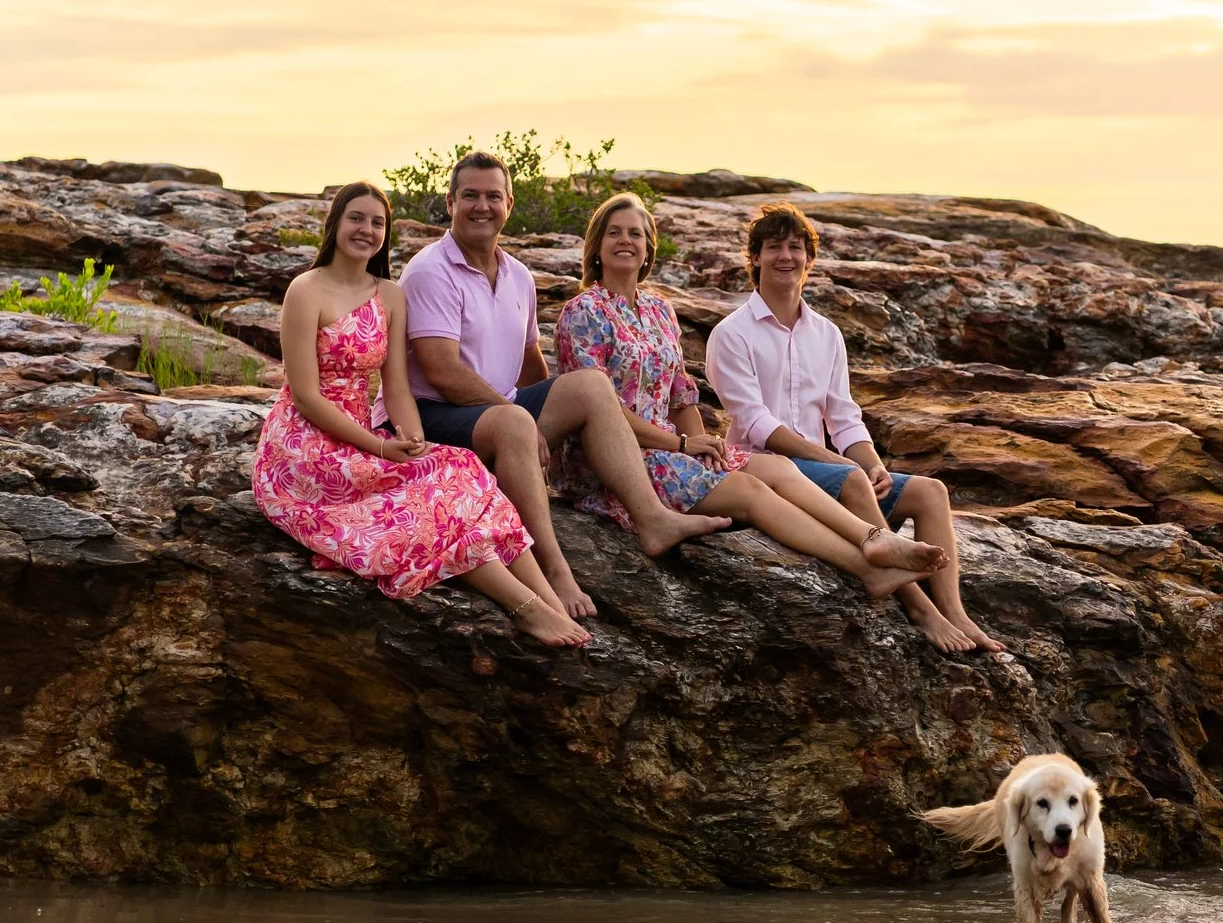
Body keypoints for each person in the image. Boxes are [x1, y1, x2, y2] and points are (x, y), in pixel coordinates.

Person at [552, 192, 943, 604]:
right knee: (751, 492)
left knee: (776, 470)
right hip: (614, 459)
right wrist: (683, 445)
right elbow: (597, 409)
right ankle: (868, 570)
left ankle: (872, 536)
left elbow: (681, 396)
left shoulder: (658, 310)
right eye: (613, 233)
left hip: (669, 448)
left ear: (649, 247)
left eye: (635, 233)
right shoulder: (584, 311)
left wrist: (705, 450)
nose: (625, 241)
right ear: (596, 244)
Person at [396, 150, 730, 621]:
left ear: (510, 203)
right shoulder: (431, 270)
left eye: (493, 196)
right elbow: (442, 373)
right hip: (434, 415)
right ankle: (555, 570)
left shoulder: (518, 276)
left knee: (590, 385)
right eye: (470, 195)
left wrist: (556, 419)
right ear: (450, 202)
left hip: (496, 410)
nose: (482, 206)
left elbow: (533, 368)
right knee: (514, 422)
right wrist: (526, 425)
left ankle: (652, 518)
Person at [252, 183, 589, 648]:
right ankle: (527, 608)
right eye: (356, 218)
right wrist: (382, 447)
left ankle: (548, 595)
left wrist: (412, 440)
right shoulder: (305, 290)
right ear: (334, 224)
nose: (366, 230)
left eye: (376, 222)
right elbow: (306, 396)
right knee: (422, 507)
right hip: (304, 444)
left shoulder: (389, 295)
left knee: (462, 471)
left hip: (363, 432)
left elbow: (397, 385)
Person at [705, 202, 1005, 654]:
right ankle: (921, 612)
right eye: (773, 248)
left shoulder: (826, 333)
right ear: (755, 259)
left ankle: (956, 613)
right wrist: (836, 461)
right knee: (849, 477)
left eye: (795, 247)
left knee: (930, 492)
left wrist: (872, 462)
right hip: (770, 470)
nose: (785, 256)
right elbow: (755, 423)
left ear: (810, 258)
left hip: (833, 474)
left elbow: (843, 416)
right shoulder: (732, 333)